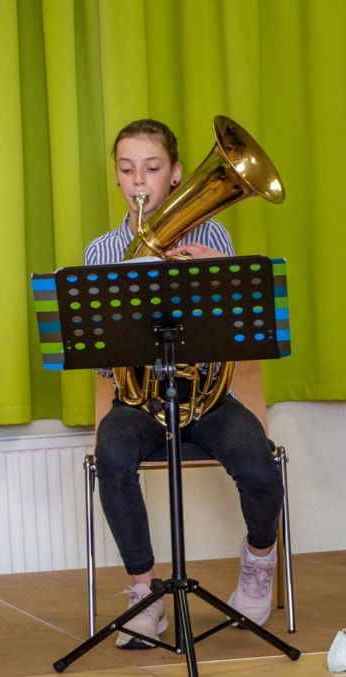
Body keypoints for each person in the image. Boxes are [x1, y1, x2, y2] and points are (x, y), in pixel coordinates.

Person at [84, 119, 284, 649]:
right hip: (140, 399)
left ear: (175, 175)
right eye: (127, 170)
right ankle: (144, 594)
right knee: (112, 454)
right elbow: (103, 365)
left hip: (210, 400)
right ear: (117, 178)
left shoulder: (212, 234)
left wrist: (222, 272)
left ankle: (259, 561)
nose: (138, 181)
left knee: (258, 465)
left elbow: (236, 335)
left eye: (151, 168)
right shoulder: (101, 252)